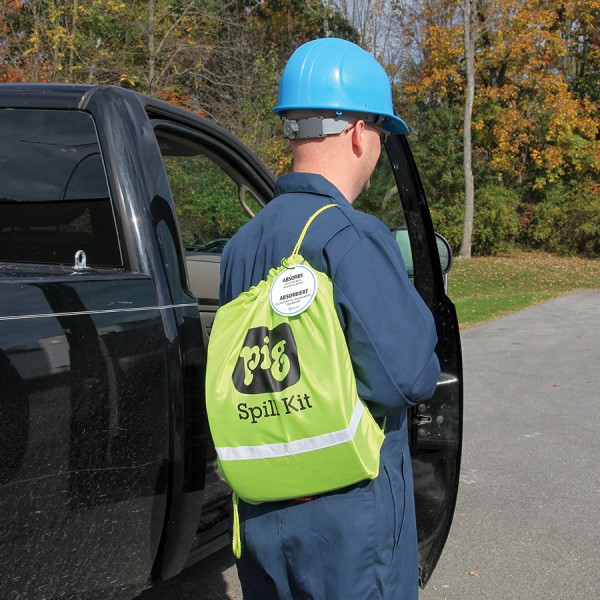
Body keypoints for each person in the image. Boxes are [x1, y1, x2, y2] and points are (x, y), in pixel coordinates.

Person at [218, 37, 440, 600]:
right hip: (351, 526)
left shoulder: (241, 246)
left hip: (263, 513)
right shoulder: (351, 235)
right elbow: (407, 376)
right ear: (361, 132)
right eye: (381, 135)